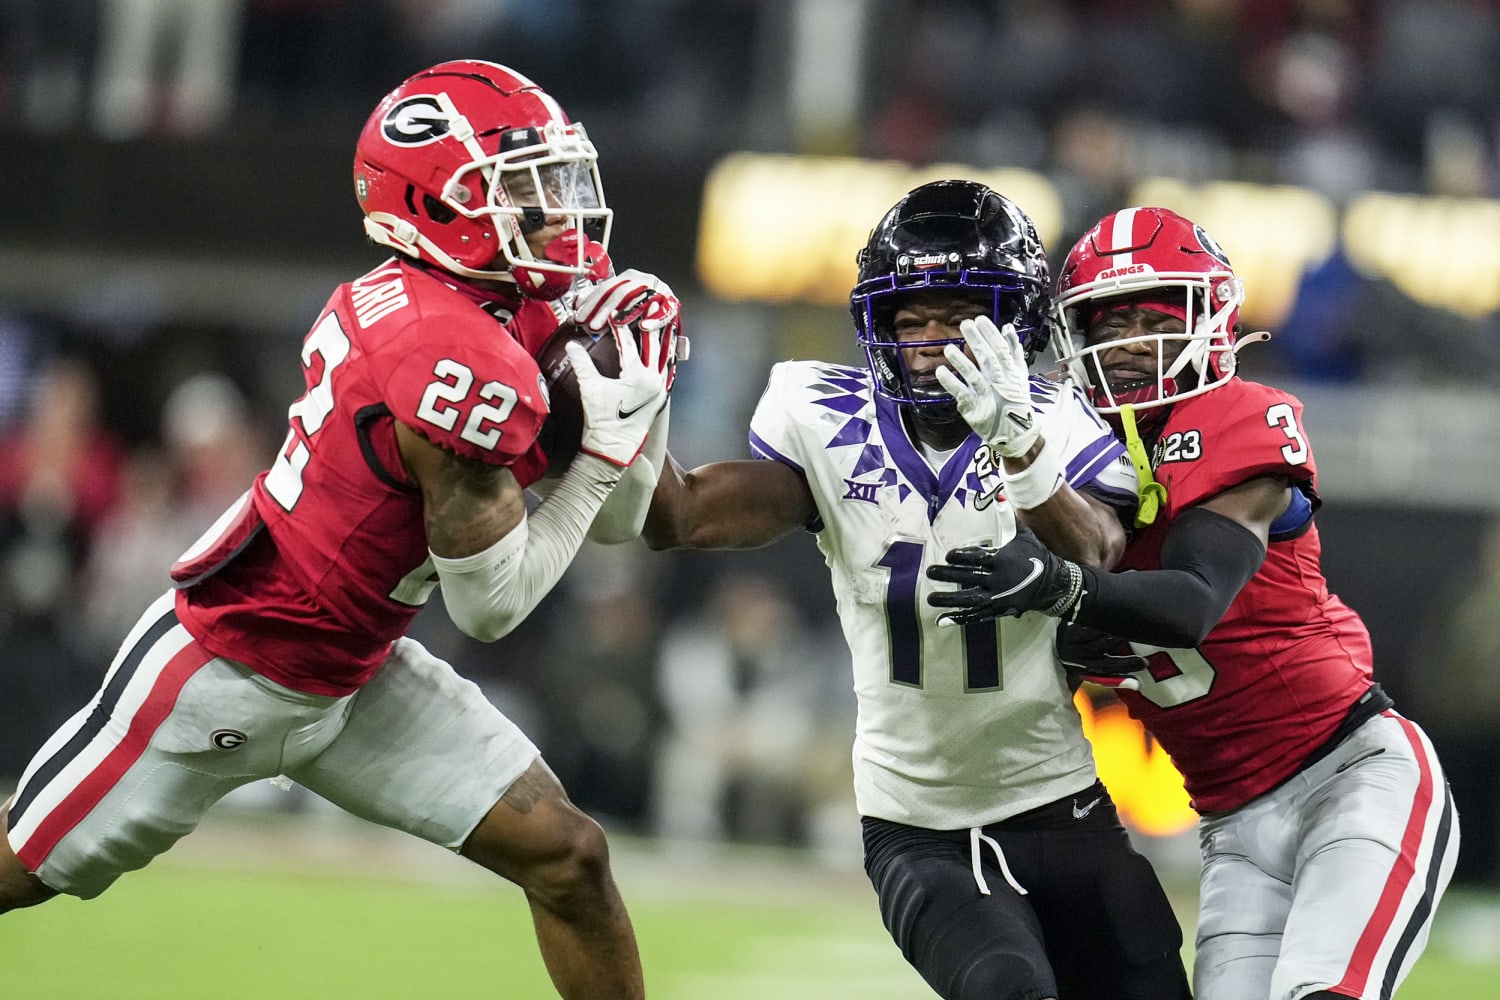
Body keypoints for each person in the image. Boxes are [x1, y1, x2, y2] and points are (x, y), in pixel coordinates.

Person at [0, 60, 681, 1000]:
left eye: (558, 181)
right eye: (521, 189)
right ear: (439, 205)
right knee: (20, 866)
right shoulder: (446, 352)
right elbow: (493, 608)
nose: (560, 213)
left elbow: (623, 520)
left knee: (569, 858)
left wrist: (641, 407)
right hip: (230, 667)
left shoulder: (486, 299)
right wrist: (604, 453)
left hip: (358, 669)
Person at [643, 180, 1191, 1000]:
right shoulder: (824, 418)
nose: (933, 341)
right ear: (878, 327)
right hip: (916, 824)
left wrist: (1018, 443)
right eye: (912, 319)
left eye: (959, 317)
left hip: (1059, 803)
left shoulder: (1065, 420)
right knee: (1008, 990)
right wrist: (627, 423)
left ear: (1015, 326)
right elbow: (680, 517)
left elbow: (1102, 559)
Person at [926, 206, 1459, 1000]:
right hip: (1232, 830)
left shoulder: (1240, 418)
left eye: (1155, 316)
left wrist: (1061, 589)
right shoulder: (1055, 461)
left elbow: (1192, 602)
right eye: (1111, 320)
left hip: (1352, 778)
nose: (1133, 341)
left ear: (1210, 318)